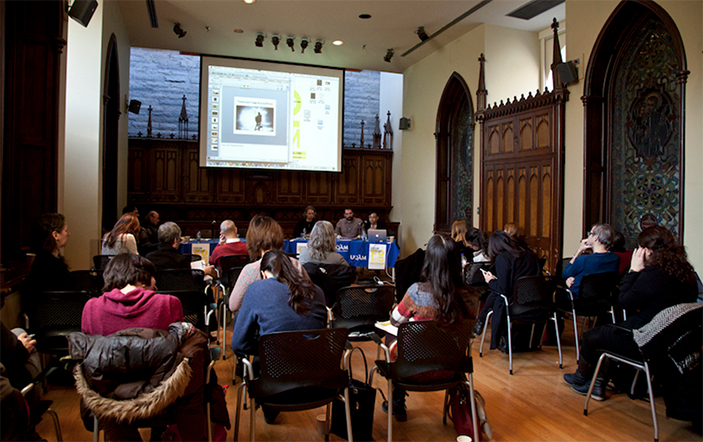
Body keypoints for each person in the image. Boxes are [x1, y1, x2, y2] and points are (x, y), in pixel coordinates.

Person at [78, 253, 222, 441]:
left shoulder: (91, 308)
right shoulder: (168, 303)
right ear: (144, 277)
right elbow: (173, 351)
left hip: (111, 404)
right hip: (165, 400)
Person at [563, 226, 698, 401]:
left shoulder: (653, 275)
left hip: (647, 338)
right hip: (675, 341)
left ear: (648, 251)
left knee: (592, 335)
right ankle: (597, 382)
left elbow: (624, 302)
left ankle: (582, 378)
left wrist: (634, 270)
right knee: (609, 332)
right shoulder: (687, 273)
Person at [385, 233, 480, 421]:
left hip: (410, 371)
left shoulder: (417, 292)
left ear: (429, 261)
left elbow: (395, 322)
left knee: (389, 337)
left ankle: (397, 399)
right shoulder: (472, 296)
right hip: (452, 369)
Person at [231, 249, 327, 424]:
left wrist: (267, 347)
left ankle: (270, 411)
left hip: (273, 387)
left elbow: (238, 344)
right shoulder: (317, 291)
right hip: (320, 384)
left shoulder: (257, 289)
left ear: (262, 273)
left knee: (266, 356)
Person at [82, 253, 183, 335]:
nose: (155, 287)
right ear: (143, 279)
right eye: (152, 276)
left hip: (106, 360)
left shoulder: (91, 307)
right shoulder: (169, 303)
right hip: (157, 360)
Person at [474, 230, 540, 350]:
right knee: (497, 294)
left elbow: (503, 289)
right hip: (536, 301)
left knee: (496, 294)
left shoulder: (503, 259)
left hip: (515, 304)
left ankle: (481, 321)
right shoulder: (529, 254)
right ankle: (481, 321)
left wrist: (490, 281)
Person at [228, 216, 306, 313]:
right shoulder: (295, 264)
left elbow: (233, 305)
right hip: (294, 320)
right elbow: (308, 294)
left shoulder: (251, 270)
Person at [558, 223, 620, 307]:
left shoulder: (584, 259)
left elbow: (565, 274)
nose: (588, 236)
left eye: (590, 234)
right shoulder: (615, 258)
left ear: (595, 238)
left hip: (579, 301)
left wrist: (579, 250)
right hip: (603, 301)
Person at [27, 213, 75, 292]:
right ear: (55, 235)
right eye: (66, 231)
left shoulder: (43, 258)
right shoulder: (51, 265)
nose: (68, 234)